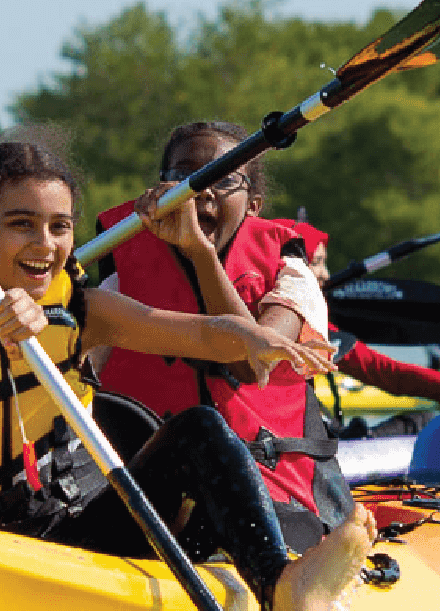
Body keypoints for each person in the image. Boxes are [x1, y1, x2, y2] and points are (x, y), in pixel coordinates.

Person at [0, 138, 374, 611]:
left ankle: (278, 588)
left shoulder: (85, 312)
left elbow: (196, 332)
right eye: (20, 223)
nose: (45, 244)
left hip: (60, 541)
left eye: (60, 226)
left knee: (200, 429)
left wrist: (255, 337)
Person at [93, 123, 348, 544]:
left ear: (253, 204)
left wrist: (200, 254)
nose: (201, 190)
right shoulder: (121, 270)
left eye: (223, 178)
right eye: (184, 175)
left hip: (268, 490)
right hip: (152, 484)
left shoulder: (291, 272)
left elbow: (250, 364)